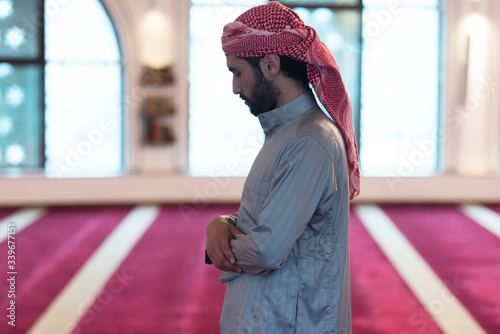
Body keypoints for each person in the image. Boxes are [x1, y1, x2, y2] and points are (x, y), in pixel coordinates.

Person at [205, 2, 360, 333]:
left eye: (237, 72)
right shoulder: (287, 132)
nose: (235, 87)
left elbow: (266, 250)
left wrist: (217, 250)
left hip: (285, 322)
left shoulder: (309, 141)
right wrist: (223, 223)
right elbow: (271, 213)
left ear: (271, 64)